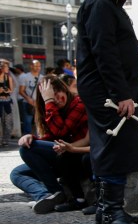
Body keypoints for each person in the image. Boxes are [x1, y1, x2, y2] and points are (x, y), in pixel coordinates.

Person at [76, 0, 138, 224]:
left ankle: (108, 211)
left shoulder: (108, 4)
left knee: (114, 148)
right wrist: (121, 95)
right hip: (108, 95)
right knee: (112, 149)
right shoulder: (100, 4)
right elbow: (105, 53)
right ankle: (111, 213)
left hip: (111, 93)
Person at [9, 76, 88, 214]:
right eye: (51, 97)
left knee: (28, 150)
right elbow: (52, 136)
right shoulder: (52, 108)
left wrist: (49, 101)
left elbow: (60, 131)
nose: (57, 100)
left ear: (64, 89)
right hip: (61, 154)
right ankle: (44, 195)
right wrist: (31, 137)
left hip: (76, 155)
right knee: (17, 173)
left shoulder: (78, 103)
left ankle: (55, 191)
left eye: (57, 94)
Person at [18, 59, 42, 135]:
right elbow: (21, 91)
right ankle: (27, 137)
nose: (38, 67)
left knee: (39, 121)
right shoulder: (25, 77)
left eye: (39, 66)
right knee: (27, 121)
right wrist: (28, 99)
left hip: (39, 103)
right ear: (31, 66)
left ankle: (40, 137)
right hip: (27, 102)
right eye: (36, 66)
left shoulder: (42, 77)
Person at [0, 60, 15, 146]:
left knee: (8, 122)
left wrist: (5, 90)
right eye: (6, 67)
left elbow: (11, 90)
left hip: (7, 101)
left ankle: (5, 140)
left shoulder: (8, 77)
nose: (8, 69)